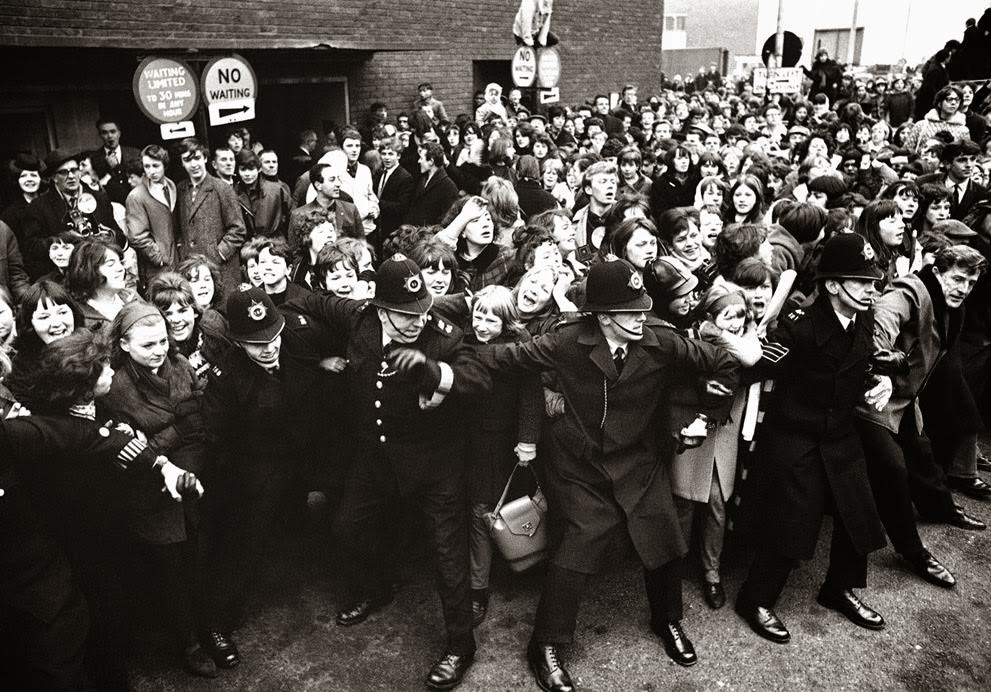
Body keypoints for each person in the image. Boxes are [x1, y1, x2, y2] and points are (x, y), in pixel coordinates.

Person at [477, 259, 738, 690]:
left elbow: (724, 366)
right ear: (600, 316)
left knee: (663, 535)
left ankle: (667, 620)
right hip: (577, 464)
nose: (641, 318)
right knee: (581, 539)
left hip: (637, 460)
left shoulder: (662, 342)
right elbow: (507, 357)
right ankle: (546, 643)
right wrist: (444, 360)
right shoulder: (564, 342)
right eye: (629, 312)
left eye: (643, 308)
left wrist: (705, 419)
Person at [285, 255, 492, 690]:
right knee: (346, 529)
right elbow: (312, 300)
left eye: (421, 309)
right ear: (380, 308)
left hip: (435, 464)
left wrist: (432, 373)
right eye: (403, 314)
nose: (416, 321)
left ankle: (460, 646)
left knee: (446, 555)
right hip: (375, 458)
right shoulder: (359, 317)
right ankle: (376, 587)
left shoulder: (444, 336)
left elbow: (478, 379)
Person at [3, 329, 202, 691]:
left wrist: (155, 462)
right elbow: (95, 440)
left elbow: (114, 439)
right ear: (81, 385)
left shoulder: (100, 404)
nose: (111, 372)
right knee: (103, 610)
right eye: (103, 369)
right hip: (77, 536)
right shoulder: (41, 430)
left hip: (109, 520)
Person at [736, 234, 891, 645]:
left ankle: (838, 588)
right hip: (794, 438)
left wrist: (882, 380)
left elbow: (859, 365)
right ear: (834, 285)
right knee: (794, 521)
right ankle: (755, 599)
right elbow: (752, 371)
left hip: (838, 435)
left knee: (857, 511)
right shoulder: (798, 327)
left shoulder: (864, 318)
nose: (872, 290)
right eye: (863, 282)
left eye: (874, 282)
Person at [199, 287, 326, 669]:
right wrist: (243, 484)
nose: (269, 348)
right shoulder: (225, 377)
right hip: (258, 467)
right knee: (244, 546)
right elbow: (217, 441)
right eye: (257, 344)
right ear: (238, 343)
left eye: (273, 336)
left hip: (307, 451)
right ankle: (216, 625)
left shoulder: (298, 342)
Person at [855, 244, 987, 592]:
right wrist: (882, 367)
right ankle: (912, 551)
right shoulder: (908, 292)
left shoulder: (947, 303)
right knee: (893, 469)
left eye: (970, 283)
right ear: (938, 272)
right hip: (874, 400)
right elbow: (878, 327)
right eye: (957, 279)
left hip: (904, 400)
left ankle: (940, 508)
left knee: (922, 456)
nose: (963, 288)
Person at [99, 300, 214, 677]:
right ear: (125, 344)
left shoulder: (180, 367)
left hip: (192, 479)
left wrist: (164, 440)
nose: (159, 351)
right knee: (170, 571)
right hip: (148, 490)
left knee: (199, 562)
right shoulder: (114, 387)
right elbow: (124, 449)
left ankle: (209, 629)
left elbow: (198, 429)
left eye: (163, 341)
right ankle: (190, 644)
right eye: (148, 345)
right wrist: (174, 433)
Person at [23, 148, 125, 280]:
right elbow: (31, 248)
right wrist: (62, 240)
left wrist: (109, 235)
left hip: (101, 274)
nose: (71, 176)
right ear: (53, 177)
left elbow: (120, 237)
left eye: (74, 170)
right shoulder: (38, 207)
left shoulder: (100, 198)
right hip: (65, 278)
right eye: (63, 172)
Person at [175, 138, 247, 296]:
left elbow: (238, 229)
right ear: (182, 163)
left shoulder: (221, 188)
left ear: (205, 158)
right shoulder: (181, 190)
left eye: (197, 158)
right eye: (187, 160)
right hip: (193, 271)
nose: (193, 164)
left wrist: (218, 254)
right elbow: (180, 230)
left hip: (222, 270)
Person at [126, 144, 178, 287]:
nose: (151, 171)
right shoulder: (136, 196)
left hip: (177, 260)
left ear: (165, 165)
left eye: (156, 166)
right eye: (147, 167)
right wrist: (159, 258)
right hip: (157, 267)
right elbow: (137, 236)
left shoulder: (171, 186)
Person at [287, 162, 364, 243]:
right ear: (318, 185)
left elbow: (362, 245)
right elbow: (295, 252)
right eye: (332, 180)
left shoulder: (350, 210)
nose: (338, 184)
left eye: (338, 179)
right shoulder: (299, 215)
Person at [234, 150, 293, 238]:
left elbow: (292, 216)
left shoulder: (276, 190)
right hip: (247, 246)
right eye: (243, 169)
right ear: (238, 171)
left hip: (274, 243)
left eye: (251, 169)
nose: (247, 174)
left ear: (259, 169)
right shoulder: (233, 193)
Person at [89, 117, 141, 205]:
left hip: (136, 202)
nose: (110, 136)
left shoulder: (134, 153)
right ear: (100, 135)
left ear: (119, 133)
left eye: (113, 131)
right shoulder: (94, 159)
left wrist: (117, 167)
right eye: (104, 133)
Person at [406, 142, 459, 226]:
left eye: (421, 158)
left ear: (431, 161)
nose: (418, 161)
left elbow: (447, 221)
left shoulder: (449, 187)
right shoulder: (421, 179)